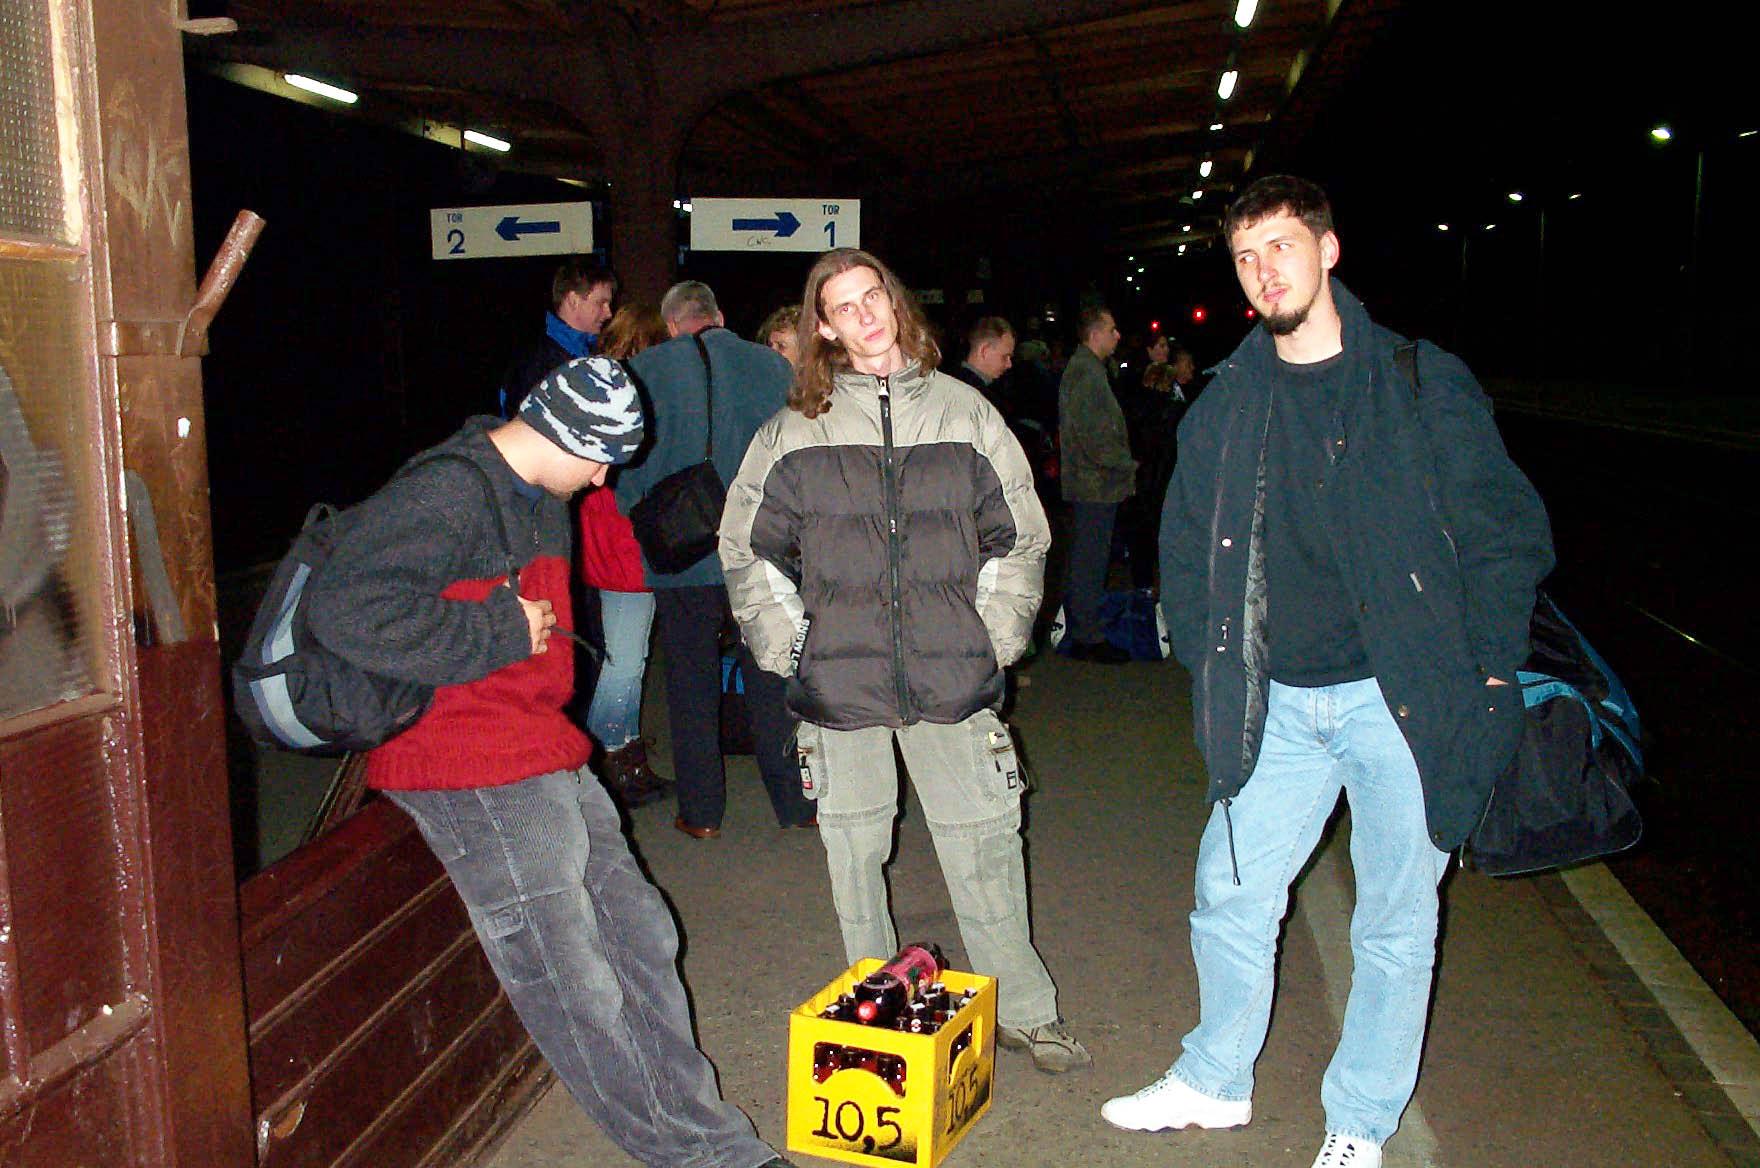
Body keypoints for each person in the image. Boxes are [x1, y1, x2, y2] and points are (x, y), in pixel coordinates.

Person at [1101, 175, 1553, 1168]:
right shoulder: (1227, 403)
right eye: (1245, 256)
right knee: (1229, 894)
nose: (1264, 270)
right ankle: (1215, 1077)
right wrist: (1209, 657)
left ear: (1327, 250)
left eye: (1281, 246)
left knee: (1394, 924)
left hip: (1404, 698)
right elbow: (1183, 542)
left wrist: (1488, 675)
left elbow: (1502, 532)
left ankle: (1359, 1122)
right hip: (1275, 701)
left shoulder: (1417, 379)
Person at [303, 358, 795, 1168]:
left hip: (537, 742)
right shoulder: (449, 490)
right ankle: (702, 1156)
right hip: (468, 760)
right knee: (573, 980)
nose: (604, 479)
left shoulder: (538, 495)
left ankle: (704, 1131)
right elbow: (343, 607)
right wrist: (499, 632)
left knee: (641, 934)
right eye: (602, 459)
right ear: (564, 435)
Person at [720, 247, 1091, 1074]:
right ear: (823, 328)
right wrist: (793, 647)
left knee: (985, 846)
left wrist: (993, 636)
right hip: (841, 684)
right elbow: (747, 549)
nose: (865, 315)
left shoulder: (967, 413)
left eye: (873, 296)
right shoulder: (792, 432)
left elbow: (1021, 535)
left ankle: (1026, 1012)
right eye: (843, 307)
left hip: (950, 675)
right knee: (854, 859)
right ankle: (877, 1017)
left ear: (895, 301)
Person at [616, 281, 816, 838]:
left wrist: (642, 514)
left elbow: (625, 467)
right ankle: (794, 803)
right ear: (719, 316)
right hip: (759, 550)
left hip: (682, 554)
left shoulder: (643, 373)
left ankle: (702, 812)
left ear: (670, 324)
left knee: (689, 681)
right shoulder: (771, 367)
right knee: (771, 673)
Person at [576, 304, 673, 805]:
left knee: (627, 654)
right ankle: (607, 757)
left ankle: (620, 750)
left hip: (609, 535)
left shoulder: (602, 386)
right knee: (626, 658)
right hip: (625, 539)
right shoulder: (634, 397)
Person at [1057, 304, 1135, 664]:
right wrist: (1126, 465)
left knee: (1088, 558)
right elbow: (1095, 437)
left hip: (1094, 483)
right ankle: (1087, 635)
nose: (1117, 335)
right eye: (1111, 329)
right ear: (1094, 334)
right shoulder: (1087, 374)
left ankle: (1084, 630)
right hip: (1095, 486)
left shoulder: (1090, 370)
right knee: (1090, 560)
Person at [497, 256, 617, 418]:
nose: (608, 313)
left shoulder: (594, 353)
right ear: (573, 300)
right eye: (601, 303)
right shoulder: (535, 363)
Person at [945, 315, 1016, 401]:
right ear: (984, 351)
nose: (1009, 364)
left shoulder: (945, 383)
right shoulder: (979, 397)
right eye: (1005, 356)